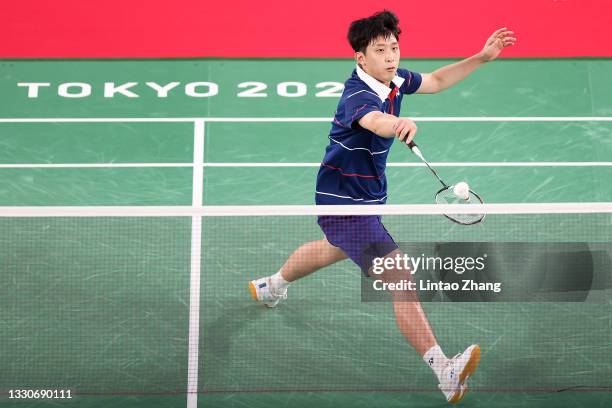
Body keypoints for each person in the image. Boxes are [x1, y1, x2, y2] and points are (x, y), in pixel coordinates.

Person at [249, 10, 515, 403]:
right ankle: (444, 370)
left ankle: (270, 287)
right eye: (380, 50)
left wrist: (481, 56)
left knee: (331, 249)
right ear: (361, 58)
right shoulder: (358, 96)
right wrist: (399, 125)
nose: (391, 56)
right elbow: (375, 121)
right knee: (402, 278)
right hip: (345, 202)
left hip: (365, 194)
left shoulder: (394, 79)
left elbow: (438, 80)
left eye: (394, 47)